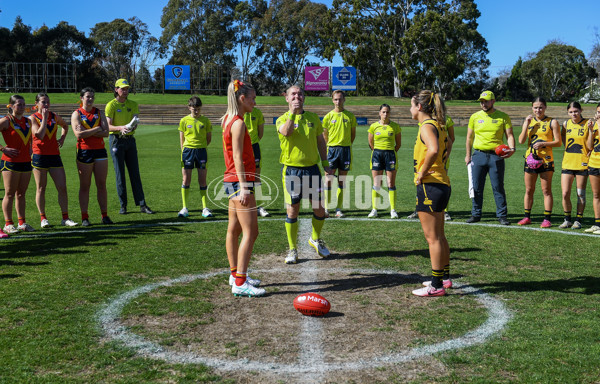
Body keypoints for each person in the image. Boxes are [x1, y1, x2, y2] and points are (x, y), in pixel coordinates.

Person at [276, 85, 331, 264]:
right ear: (287, 98)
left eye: (300, 94)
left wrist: (325, 164)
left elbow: (320, 142)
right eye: (293, 94)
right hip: (292, 170)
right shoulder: (282, 119)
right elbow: (287, 132)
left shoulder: (313, 118)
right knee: (293, 210)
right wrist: (293, 113)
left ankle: (315, 239)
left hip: (312, 169)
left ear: (304, 97)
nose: (297, 97)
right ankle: (292, 249)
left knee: (319, 209)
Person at [222, 80, 265, 297]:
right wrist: (245, 188)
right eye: (252, 98)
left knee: (234, 229)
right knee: (251, 231)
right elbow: (238, 157)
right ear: (242, 99)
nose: (254, 103)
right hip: (240, 182)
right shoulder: (238, 122)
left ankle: (235, 275)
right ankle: (240, 281)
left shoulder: (227, 120)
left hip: (230, 180)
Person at [409, 90, 452, 297]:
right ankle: (444, 278)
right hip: (441, 183)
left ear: (419, 107)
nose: (410, 109)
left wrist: (422, 173)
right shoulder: (438, 125)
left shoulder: (427, 126)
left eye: (411, 105)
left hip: (431, 185)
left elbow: (434, 149)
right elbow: (448, 145)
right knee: (440, 236)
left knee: (432, 238)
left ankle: (436, 286)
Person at [465, 91, 515, 225]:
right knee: (476, 187)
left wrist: (512, 149)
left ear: (493, 101)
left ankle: (502, 216)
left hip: (496, 157)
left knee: (498, 187)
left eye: (486, 101)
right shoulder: (474, 117)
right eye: (481, 101)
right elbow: (469, 137)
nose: (483, 104)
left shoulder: (503, 117)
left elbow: (509, 135)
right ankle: (476, 214)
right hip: (478, 155)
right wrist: (468, 155)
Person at [105, 78, 154, 215]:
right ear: (116, 89)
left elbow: (135, 120)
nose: (125, 91)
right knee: (120, 175)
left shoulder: (133, 104)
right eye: (122, 88)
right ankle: (123, 205)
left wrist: (133, 124)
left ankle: (142, 204)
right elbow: (107, 126)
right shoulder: (111, 105)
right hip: (116, 140)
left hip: (130, 140)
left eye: (127, 88)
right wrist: (121, 127)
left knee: (135, 173)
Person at [30, 93, 77, 228]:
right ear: (37, 103)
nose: (46, 105)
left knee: (62, 187)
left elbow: (65, 126)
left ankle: (65, 218)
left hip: (54, 156)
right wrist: (44, 118)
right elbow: (38, 134)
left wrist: (62, 138)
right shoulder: (33, 118)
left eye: (48, 102)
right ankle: (43, 218)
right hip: (39, 156)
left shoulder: (54, 116)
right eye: (43, 102)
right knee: (41, 188)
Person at [70, 87, 113, 227]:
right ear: (82, 98)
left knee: (101, 185)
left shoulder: (99, 112)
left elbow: (106, 133)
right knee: (85, 185)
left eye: (92, 97)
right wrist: (97, 129)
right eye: (87, 96)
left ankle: (104, 215)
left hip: (100, 151)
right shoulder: (76, 114)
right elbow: (79, 135)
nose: (90, 99)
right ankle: (85, 217)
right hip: (84, 151)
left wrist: (88, 131)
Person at [517, 97, 562, 228]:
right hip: (530, 160)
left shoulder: (552, 122)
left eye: (541, 107)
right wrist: (525, 124)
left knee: (546, 190)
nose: (538, 110)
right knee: (529, 189)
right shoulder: (529, 122)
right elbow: (521, 141)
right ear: (532, 108)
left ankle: (547, 218)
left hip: (546, 160)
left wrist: (544, 143)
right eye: (536, 107)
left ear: (545, 107)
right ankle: (527, 217)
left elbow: (558, 142)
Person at [408, 115, 455, 221]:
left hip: (438, 160)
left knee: (440, 183)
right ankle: (419, 208)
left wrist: (444, 158)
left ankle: (444, 211)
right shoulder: (425, 120)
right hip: (426, 160)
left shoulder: (446, 119)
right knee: (422, 184)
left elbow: (451, 139)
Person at [0, 95, 33, 236]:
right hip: (10, 162)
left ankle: (21, 223)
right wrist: (3, 148)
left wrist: (30, 149)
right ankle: (8, 224)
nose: (22, 107)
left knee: (21, 193)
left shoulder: (28, 121)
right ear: (11, 106)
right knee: (9, 193)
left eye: (23, 104)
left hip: (26, 161)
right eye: (19, 104)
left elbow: (29, 138)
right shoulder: (6, 121)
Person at [177, 96, 213, 218]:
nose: (196, 111)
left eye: (198, 109)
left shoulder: (206, 121)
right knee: (186, 179)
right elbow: (181, 139)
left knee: (202, 180)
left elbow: (209, 139)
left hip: (201, 152)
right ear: (189, 108)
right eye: (194, 109)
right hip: (187, 152)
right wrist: (185, 150)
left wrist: (200, 146)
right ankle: (184, 208)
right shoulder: (184, 121)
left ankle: (205, 208)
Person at [322, 90, 357, 218]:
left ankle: (338, 209)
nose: (338, 102)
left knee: (342, 180)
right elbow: (324, 135)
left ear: (344, 100)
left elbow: (353, 135)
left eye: (340, 99)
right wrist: (331, 145)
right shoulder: (328, 117)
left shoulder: (350, 116)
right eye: (336, 99)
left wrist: (345, 144)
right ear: (332, 100)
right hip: (331, 150)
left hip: (345, 151)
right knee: (329, 180)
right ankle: (326, 208)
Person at [559, 102, 590, 229]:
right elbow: (563, 136)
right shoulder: (566, 124)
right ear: (568, 113)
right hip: (567, 163)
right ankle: (567, 219)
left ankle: (578, 219)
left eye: (576, 111)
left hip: (582, 163)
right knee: (565, 193)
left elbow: (591, 143)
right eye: (571, 112)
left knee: (580, 194)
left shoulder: (588, 123)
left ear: (581, 110)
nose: (574, 114)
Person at [367, 104, 401, 219]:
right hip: (377, 155)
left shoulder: (395, 126)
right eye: (383, 112)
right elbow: (370, 143)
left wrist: (389, 151)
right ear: (379, 113)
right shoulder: (373, 126)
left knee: (391, 183)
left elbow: (398, 144)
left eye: (387, 112)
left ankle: (393, 210)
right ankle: (374, 209)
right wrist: (378, 151)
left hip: (390, 155)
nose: (385, 114)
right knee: (377, 183)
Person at [244, 106, 270, 217]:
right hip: (241, 147)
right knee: (241, 176)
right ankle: (245, 205)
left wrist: (252, 142)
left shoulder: (257, 113)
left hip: (254, 147)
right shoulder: (239, 112)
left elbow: (260, 134)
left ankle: (259, 207)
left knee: (256, 177)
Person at [585, 103, 600, 234]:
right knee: (596, 195)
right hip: (594, 163)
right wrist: (590, 130)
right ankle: (597, 224)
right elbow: (589, 146)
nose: (599, 114)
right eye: (598, 112)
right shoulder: (594, 126)